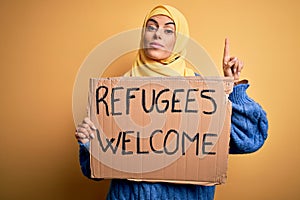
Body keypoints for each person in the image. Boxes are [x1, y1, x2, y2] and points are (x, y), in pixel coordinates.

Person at [75, 5, 268, 200]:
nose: (157, 34)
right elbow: (91, 169)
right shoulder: (114, 92)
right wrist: (89, 142)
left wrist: (232, 86)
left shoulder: (201, 90)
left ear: (180, 39)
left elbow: (249, 140)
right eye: (151, 27)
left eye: (168, 30)